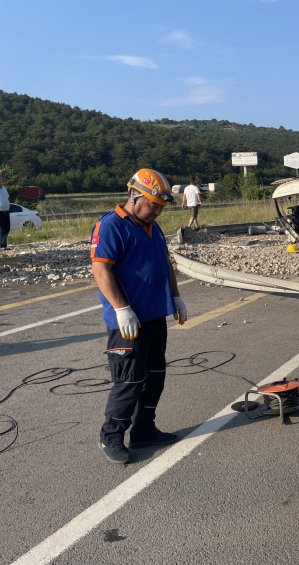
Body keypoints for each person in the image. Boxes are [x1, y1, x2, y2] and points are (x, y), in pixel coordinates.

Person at [91, 168, 189, 464]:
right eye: (153, 204)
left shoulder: (153, 226)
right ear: (134, 197)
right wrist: (122, 308)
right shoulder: (111, 226)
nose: (158, 211)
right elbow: (100, 269)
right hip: (128, 322)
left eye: (161, 206)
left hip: (155, 316)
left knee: (155, 378)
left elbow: (165, 262)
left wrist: (175, 296)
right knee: (129, 382)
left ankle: (144, 429)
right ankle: (110, 437)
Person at [0, 170, 10, 250]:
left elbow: (7, 197)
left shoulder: (3, 188)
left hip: (5, 211)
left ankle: (3, 245)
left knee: (5, 229)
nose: (1, 180)